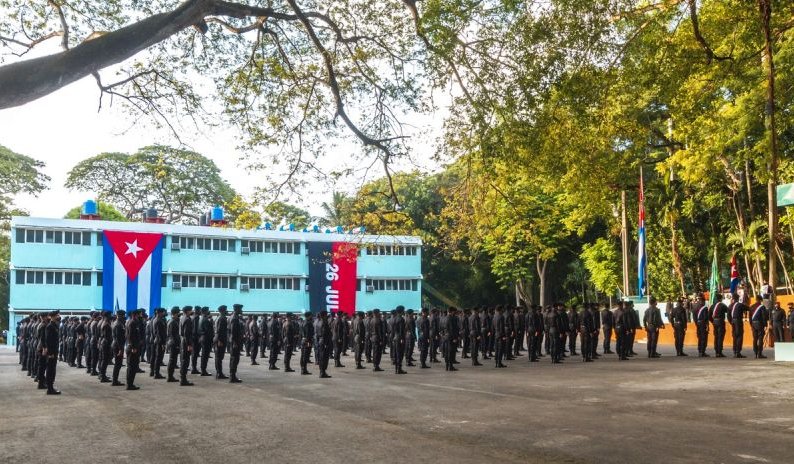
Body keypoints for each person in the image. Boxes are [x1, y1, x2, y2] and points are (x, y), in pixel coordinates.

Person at [43, 311, 61, 395]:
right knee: (50, 370)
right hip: (52, 352)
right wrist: (50, 353)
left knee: (52, 369)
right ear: (53, 316)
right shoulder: (50, 326)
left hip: (54, 351)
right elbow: (48, 340)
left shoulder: (54, 325)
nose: (58, 316)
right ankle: (50, 389)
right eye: (57, 315)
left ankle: (51, 387)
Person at [125, 309, 142, 390]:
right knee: (132, 366)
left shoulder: (130, 322)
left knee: (132, 366)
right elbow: (130, 336)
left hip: (131, 346)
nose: (140, 316)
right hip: (132, 348)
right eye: (139, 314)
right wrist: (133, 347)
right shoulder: (132, 323)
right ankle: (129, 384)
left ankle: (130, 384)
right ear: (135, 315)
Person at [179, 306, 195, 386]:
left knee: (183, 360)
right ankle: (183, 380)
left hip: (183, 341)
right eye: (190, 310)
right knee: (185, 361)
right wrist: (189, 344)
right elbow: (186, 333)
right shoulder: (187, 319)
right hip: (186, 342)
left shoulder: (182, 318)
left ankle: (183, 378)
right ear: (188, 311)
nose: (192, 311)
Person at [111, 310, 126, 386]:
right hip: (117, 346)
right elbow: (118, 338)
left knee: (118, 364)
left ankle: (115, 380)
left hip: (117, 345)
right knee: (118, 364)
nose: (124, 317)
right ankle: (114, 381)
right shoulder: (118, 324)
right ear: (120, 315)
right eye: (123, 315)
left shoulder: (116, 323)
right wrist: (120, 349)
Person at [315, 310, 332, 378]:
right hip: (324, 341)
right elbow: (325, 333)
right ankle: (323, 372)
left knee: (321, 357)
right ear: (324, 315)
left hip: (320, 341)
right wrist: (326, 343)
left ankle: (321, 372)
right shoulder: (324, 322)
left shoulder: (318, 322)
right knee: (324, 357)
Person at [229, 304, 244, 383]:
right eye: (240, 309)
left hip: (233, 341)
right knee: (235, 359)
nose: (241, 310)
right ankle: (232, 377)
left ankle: (232, 375)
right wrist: (235, 342)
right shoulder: (235, 318)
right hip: (235, 341)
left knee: (233, 358)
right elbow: (233, 331)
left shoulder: (232, 317)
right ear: (237, 309)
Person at [213, 305, 229, 379]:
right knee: (219, 357)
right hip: (220, 339)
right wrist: (219, 340)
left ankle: (218, 372)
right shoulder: (222, 318)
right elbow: (219, 330)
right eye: (226, 310)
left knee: (218, 357)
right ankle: (219, 373)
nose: (227, 311)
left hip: (217, 338)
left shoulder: (217, 318)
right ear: (223, 310)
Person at [166, 307, 181, 382]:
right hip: (173, 343)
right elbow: (173, 335)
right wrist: (177, 344)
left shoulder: (172, 321)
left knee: (173, 360)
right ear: (176, 313)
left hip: (172, 342)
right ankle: (170, 376)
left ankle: (170, 376)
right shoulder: (172, 322)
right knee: (172, 360)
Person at [97, 311, 112, 383]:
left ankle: (101, 374)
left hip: (102, 342)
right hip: (105, 343)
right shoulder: (106, 324)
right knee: (104, 360)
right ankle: (103, 376)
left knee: (102, 359)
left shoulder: (102, 322)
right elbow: (107, 336)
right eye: (110, 315)